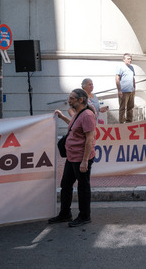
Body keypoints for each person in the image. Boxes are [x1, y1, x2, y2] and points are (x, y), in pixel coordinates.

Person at [50, 89, 96, 227]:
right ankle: (65, 214)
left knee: (83, 187)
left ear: (80, 100)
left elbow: (89, 139)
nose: (69, 100)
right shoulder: (78, 114)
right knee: (65, 185)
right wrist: (62, 116)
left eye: (71, 98)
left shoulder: (87, 115)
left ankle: (84, 216)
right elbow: (74, 126)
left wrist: (84, 161)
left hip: (81, 158)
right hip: (72, 157)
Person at [115, 53, 135, 123]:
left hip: (131, 91)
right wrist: (119, 90)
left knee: (130, 107)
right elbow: (117, 78)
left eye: (131, 59)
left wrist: (134, 88)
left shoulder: (132, 67)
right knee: (122, 108)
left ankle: (129, 121)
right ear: (124, 59)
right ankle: (121, 122)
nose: (130, 60)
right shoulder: (120, 67)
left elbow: (133, 78)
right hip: (124, 91)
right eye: (128, 59)